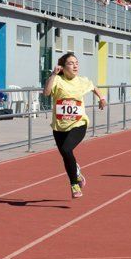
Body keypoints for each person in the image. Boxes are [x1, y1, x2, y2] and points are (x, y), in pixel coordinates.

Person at [43, 53, 107, 198]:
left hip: (79, 124)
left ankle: (74, 185)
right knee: (66, 155)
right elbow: (46, 93)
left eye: (76, 63)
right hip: (59, 127)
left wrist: (102, 98)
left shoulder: (81, 81)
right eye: (71, 63)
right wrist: (53, 74)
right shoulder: (57, 80)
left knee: (66, 149)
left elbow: (93, 87)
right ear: (63, 67)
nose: (75, 65)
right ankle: (77, 173)